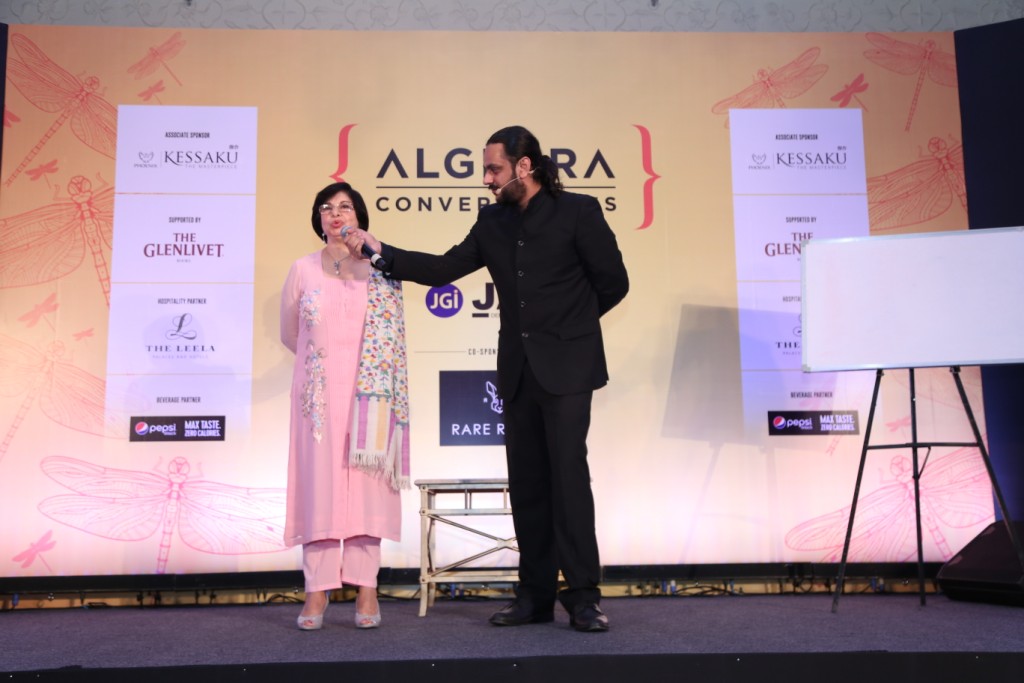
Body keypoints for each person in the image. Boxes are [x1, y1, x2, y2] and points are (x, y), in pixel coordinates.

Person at [342, 126, 629, 632]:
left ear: (524, 166)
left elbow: (614, 283)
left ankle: (584, 597)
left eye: (494, 169)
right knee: (528, 485)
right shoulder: (492, 220)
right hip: (517, 370)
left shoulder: (578, 212)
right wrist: (379, 250)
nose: (487, 179)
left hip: (568, 367)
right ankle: (534, 596)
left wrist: (569, 331)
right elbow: (443, 268)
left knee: (568, 481)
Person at [280, 181, 411, 631]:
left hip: (370, 398)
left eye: (345, 207)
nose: (335, 214)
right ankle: (316, 590)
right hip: (318, 400)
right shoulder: (301, 269)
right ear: (318, 220)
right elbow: (291, 333)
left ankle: (366, 588)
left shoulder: (380, 268)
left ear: (359, 218)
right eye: (326, 208)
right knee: (318, 490)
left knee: (367, 490)